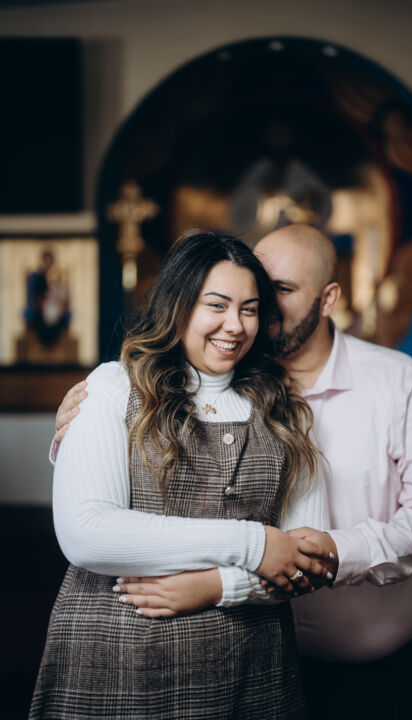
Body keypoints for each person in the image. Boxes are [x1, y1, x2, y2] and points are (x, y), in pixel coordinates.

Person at [54, 224, 412, 720]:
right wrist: (78, 439)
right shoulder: (146, 386)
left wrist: (326, 554)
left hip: (366, 671)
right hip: (218, 656)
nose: (253, 312)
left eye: (272, 294)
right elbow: (91, 520)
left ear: (328, 298)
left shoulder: (395, 384)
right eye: (232, 298)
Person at [31, 231, 335, 720]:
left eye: (250, 309)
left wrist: (222, 584)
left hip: (252, 670)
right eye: (216, 305)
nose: (235, 325)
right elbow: (86, 533)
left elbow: (305, 560)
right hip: (121, 662)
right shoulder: (114, 387)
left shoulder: (286, 410)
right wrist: (255, 545)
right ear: (178, 304)